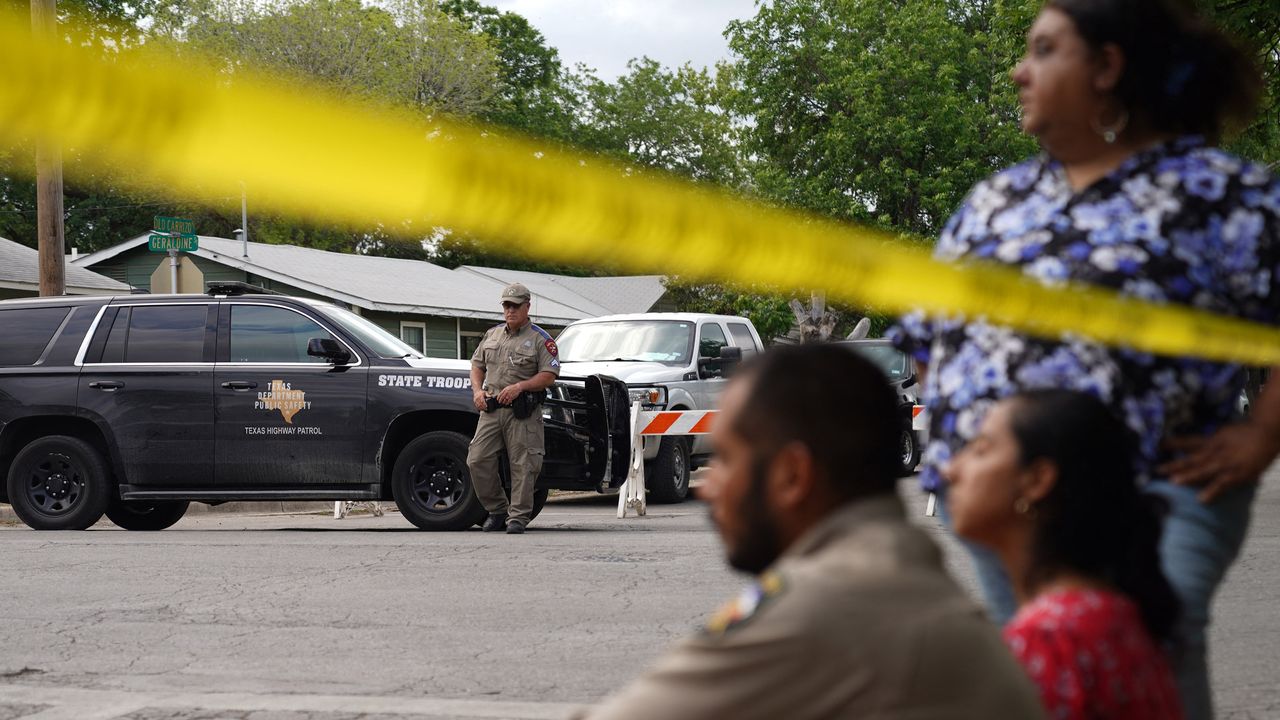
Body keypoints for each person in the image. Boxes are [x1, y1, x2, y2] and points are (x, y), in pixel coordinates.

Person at [889, 2, 1280, 716]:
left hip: (1154, 491)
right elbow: (926, 338)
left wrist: (1263, 433)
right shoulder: (995, 200)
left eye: (1043, 50)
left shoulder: (1226, 196)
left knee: (1140, 661)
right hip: (1003, 500)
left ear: (1106, 67)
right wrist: (963, 441)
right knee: (1043, 678)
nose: (1018, 70)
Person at [576, 345, 1044, 720]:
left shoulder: (831, 602)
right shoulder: (892, 568)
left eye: (727, 460)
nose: (709, 489)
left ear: (793, 475)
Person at [945, 390, 1183, 719]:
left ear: (1037, 480)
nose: (951, 470)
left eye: (981, 450)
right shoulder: (1112, 614)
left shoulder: (1048, 640)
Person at [467, 283, 560, 534]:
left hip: (523, 412)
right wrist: (477, 390)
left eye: (516, 306)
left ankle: (517, 517)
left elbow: (549, 375)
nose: (510, 310)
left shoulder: (541, 339)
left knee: (524, 464)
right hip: (491, 410)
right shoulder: (492, 335)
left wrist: (521, 387)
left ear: (527, 307)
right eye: (507, 306)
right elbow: (477, 366)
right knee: (477, 459)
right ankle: (497, 509)